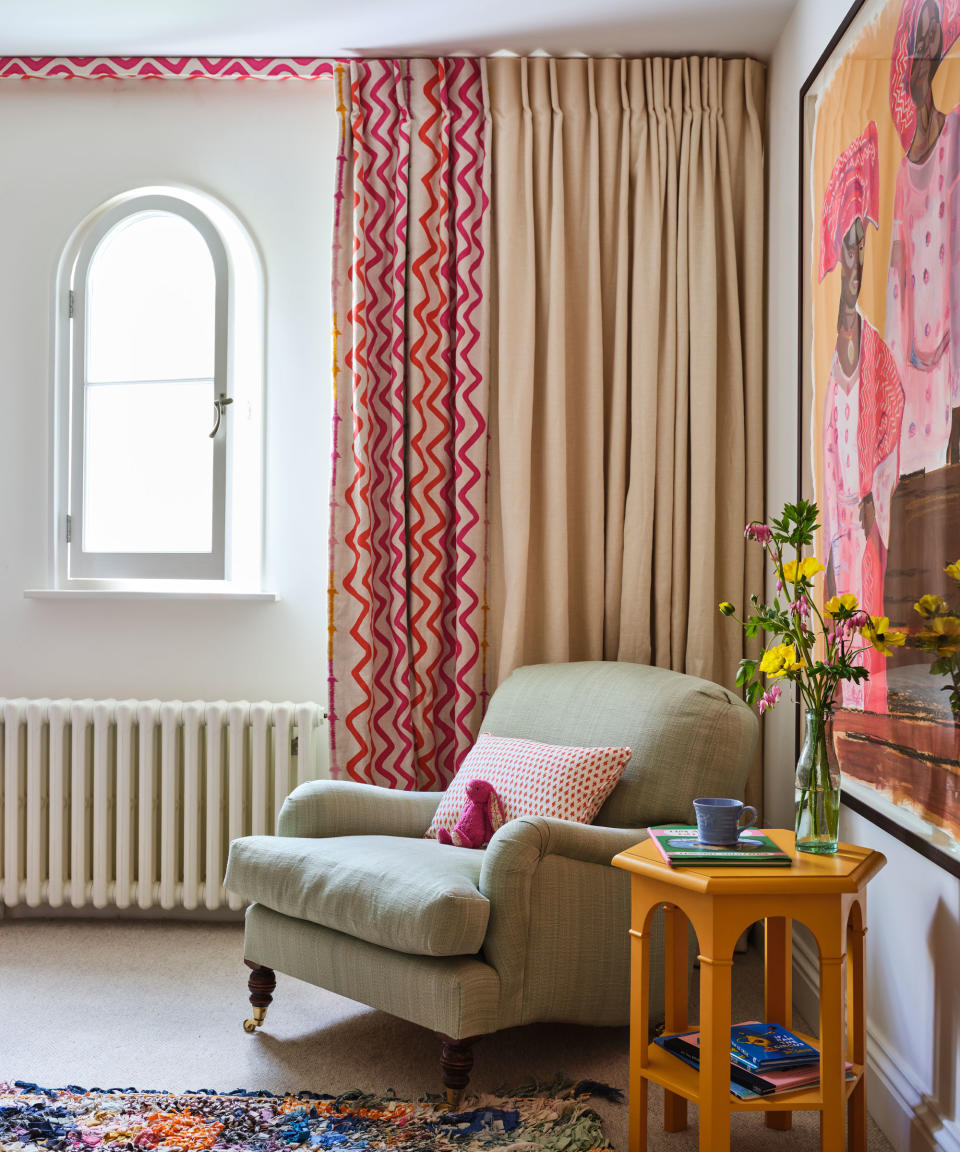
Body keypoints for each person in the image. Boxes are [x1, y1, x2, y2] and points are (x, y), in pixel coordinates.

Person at [819, 122, 905, 712]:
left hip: (867, 528)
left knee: (865, 661)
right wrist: (828, 544)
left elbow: (892, 421)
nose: (857, 259)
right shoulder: (831, 361)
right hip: (840, 533)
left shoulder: (874, 348)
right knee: (834, 657)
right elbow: (827, 457)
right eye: (850, 245)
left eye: (862, 247)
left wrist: (873, 494)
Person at [886, 0, 960, 476]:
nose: (928, 45)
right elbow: (897, 292)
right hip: (915, 371)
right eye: (921, 37)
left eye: (935, 34)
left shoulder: (956, 134)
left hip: (949, 360)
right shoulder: (901, 177)